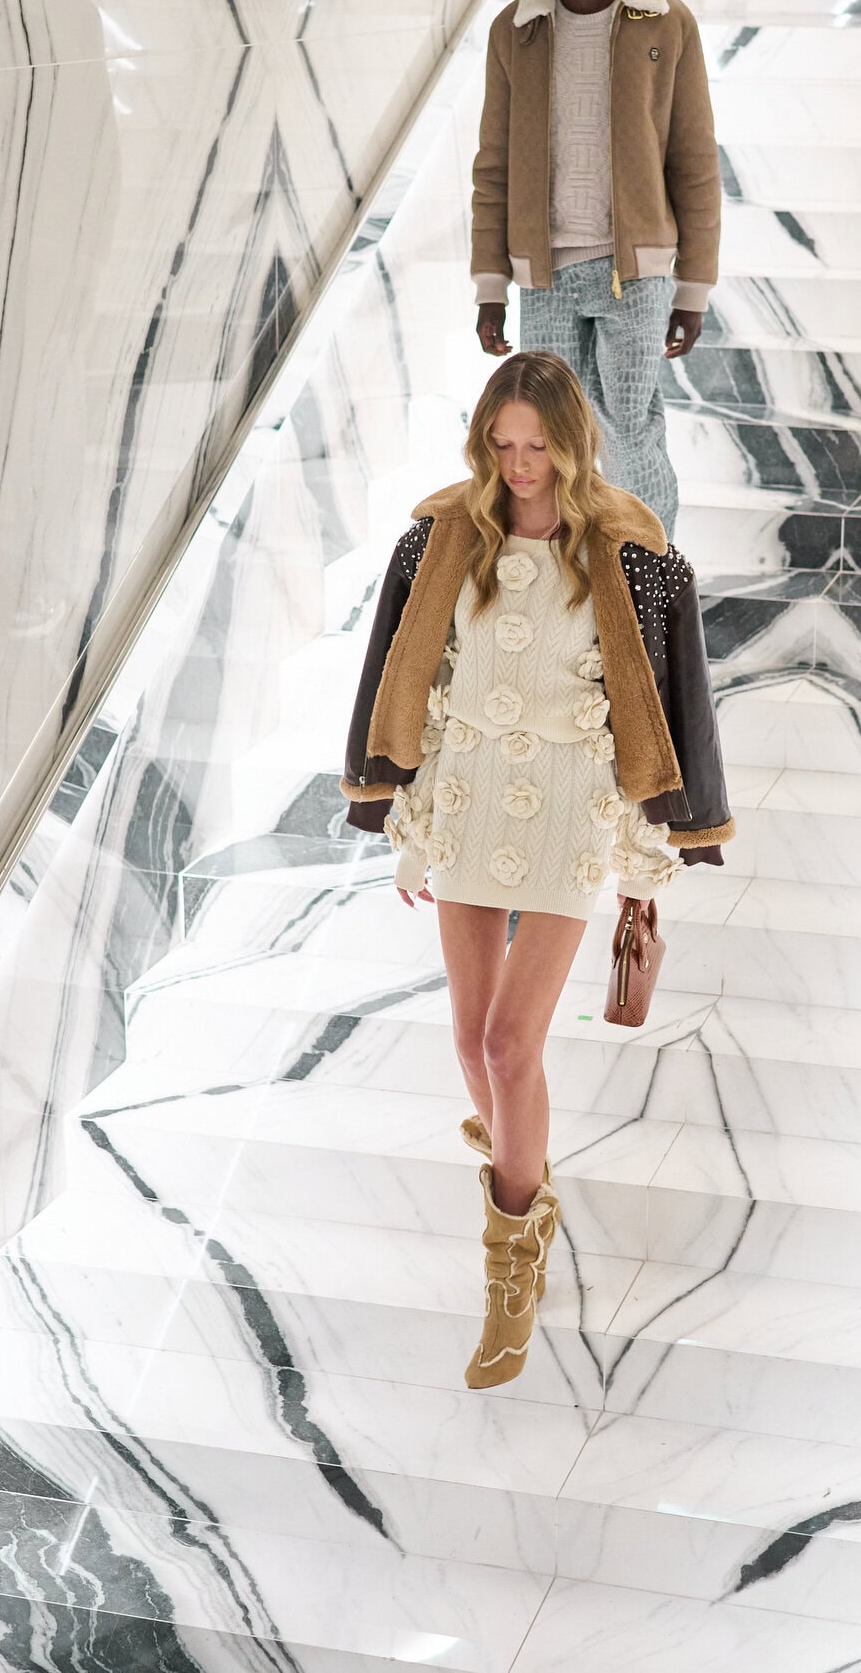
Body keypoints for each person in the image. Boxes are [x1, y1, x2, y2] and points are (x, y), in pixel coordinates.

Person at [341, 351, 732, 1388]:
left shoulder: (631, 553)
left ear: (573, 442)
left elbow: (658, 713)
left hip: (566, 811)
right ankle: (528, 1167)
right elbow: (420, 682)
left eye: (538, 445)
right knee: (470, 1040)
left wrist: (642, 862)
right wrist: (412, 824)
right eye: (503, 444)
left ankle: (512, 1263)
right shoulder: (445, 539)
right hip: (469, 797)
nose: (520, 465)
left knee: (511, 1048)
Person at [471, 0, 721, 541]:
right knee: (548, 430)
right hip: (545, 273)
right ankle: (566, 562)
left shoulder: (665, 22)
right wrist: (491, 287)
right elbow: (493, 166)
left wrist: (693, 288)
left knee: (630, 426)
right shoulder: (515, 30)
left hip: (633, 270)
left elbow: (694, 160)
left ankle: (650, 559)